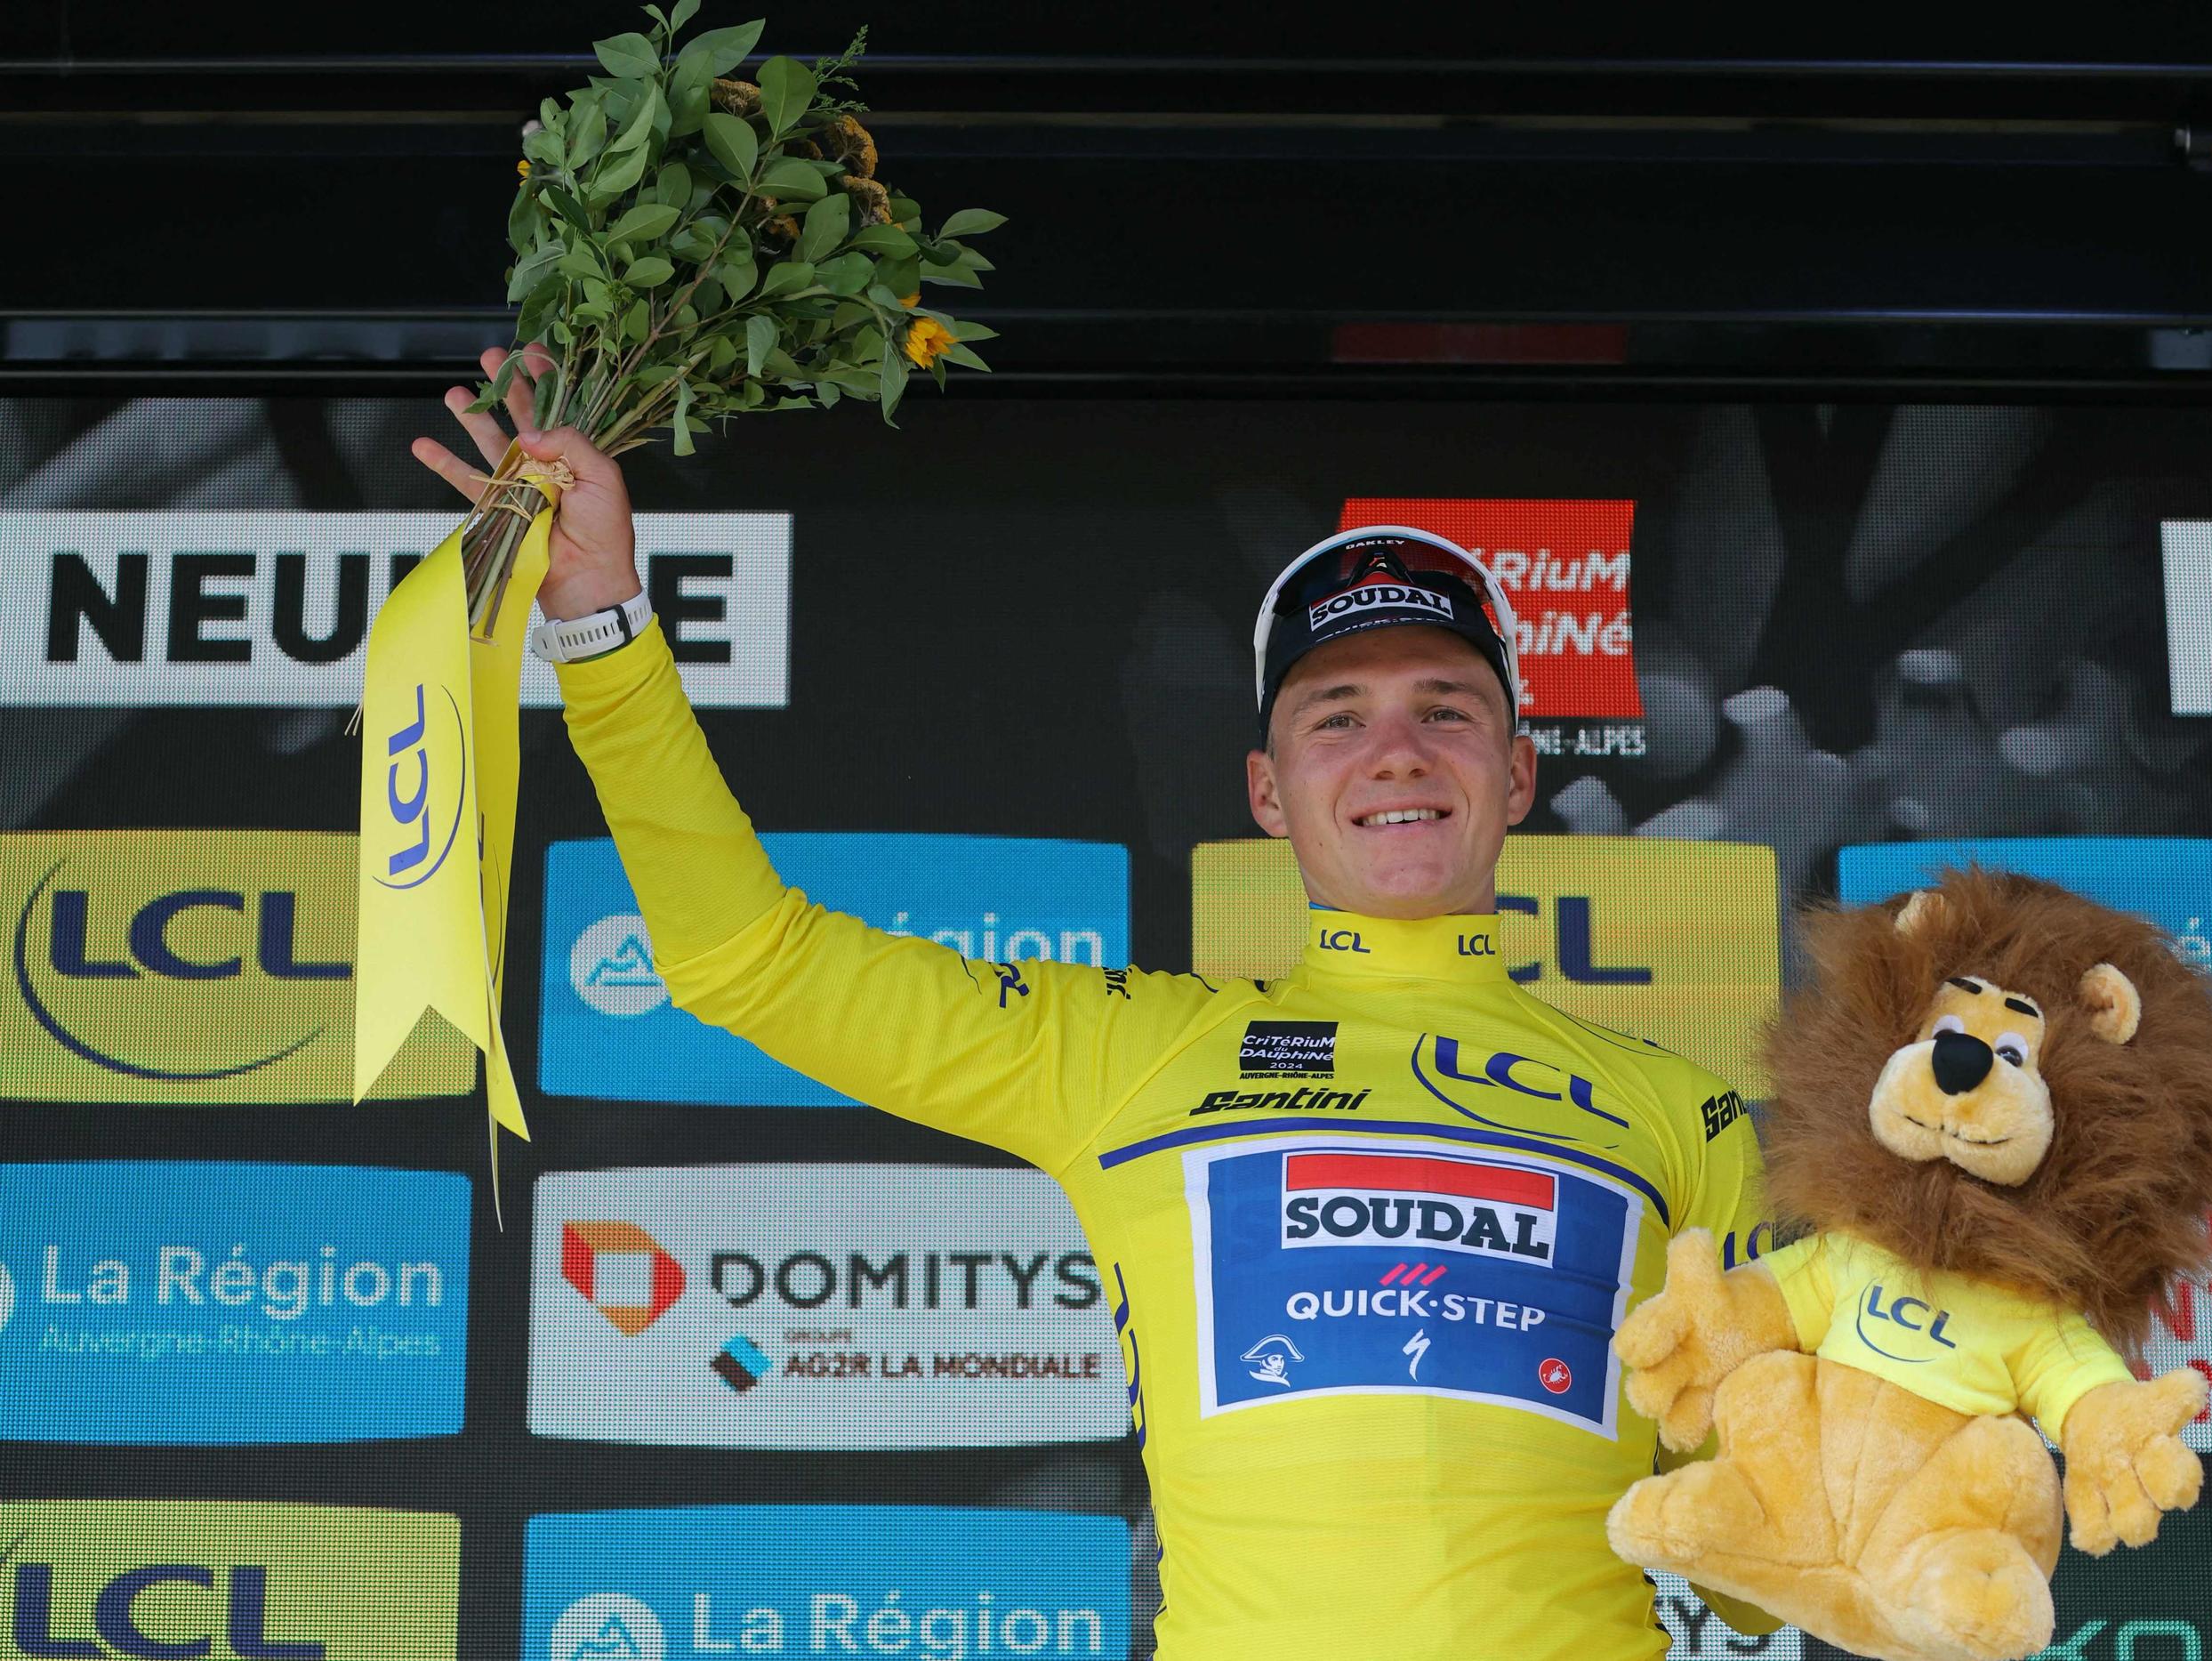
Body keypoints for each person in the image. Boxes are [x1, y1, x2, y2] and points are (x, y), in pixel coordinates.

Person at [415, 347, 1779, 1660]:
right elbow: (742, 958)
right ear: (1265, 793)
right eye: (1336, 715)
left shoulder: (1683, 1113)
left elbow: (1767, 1558)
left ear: (1522, 772)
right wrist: (597, 617)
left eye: (1447, 709)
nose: (1397, 751)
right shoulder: (1135, 1049)